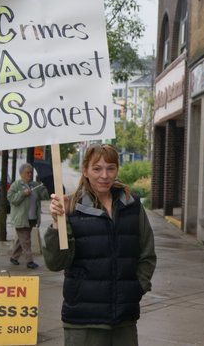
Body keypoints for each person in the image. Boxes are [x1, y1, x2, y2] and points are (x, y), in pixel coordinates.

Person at [43, 143, 156, 345]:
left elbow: (147, 254)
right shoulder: (70, 207)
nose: (105, 175)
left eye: (110, 168)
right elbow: (56, 262)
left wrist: (137, 287)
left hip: (124, 320)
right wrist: (56, 222)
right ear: (85, 170)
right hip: (83, 322)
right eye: (97, 169)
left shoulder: (132, 205)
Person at [7, 162, 49, 269]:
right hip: (21, 218)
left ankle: (14, 257)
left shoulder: (34, 185)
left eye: (31, 173)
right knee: (26, 240)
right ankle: (29, 261)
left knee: (21, 240)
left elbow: (44, 196)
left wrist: (43, 188)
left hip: (32, 218)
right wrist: (22, 194)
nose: (29, 175)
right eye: (27, 173)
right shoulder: (16, 185)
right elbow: (11, 199)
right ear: (21, 174)